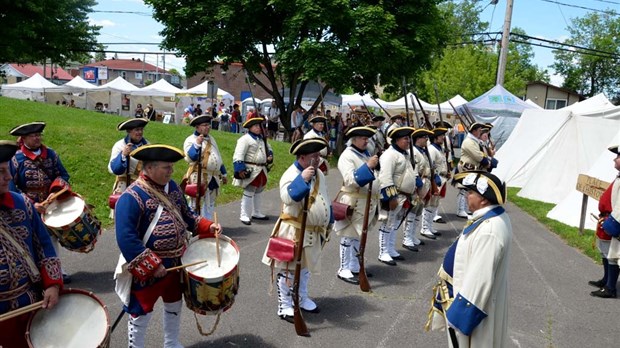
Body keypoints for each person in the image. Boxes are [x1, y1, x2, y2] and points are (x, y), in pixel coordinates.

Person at [114, 144, 222, 348]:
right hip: (148, 267)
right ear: (149, 168)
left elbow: (187, 216)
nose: (172, 171)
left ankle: (171, 342)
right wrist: (153, 265)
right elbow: (126, 238)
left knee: (174, 303)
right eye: (167, 167)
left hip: (177, 262)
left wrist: (209, 226)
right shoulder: (131, 197)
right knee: (141, 311)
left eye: (171, 167)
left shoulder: (172, 188)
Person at [426, 170, 511, 347]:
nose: (466, 196)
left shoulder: (489, 230)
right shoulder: (489, 218)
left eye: (471, 192)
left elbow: (479, 281)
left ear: (484, 199)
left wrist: (458, 319)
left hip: (468, 308)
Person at [0, 140, 63, 348]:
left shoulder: (23, 204)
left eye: (7, 169)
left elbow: (44, 246)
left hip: (30, 303)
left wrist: (52, 284)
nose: (8, 177)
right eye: (1, 172)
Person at [262, 137, 332, 322]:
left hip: (312, 230)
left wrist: (328, 220)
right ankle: (284, 305)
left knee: (305, 268)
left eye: (318, 155)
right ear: (302, 157)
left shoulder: (319, 174)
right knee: (289, 270)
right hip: (294, 230)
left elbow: (324, 196)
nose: (318, 159)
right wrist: (302, 180)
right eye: (313, 156)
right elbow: (287, 197)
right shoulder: (291, 173)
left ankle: (301, 297)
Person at [9, 122, 72, 283]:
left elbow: (63, 175)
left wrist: (55, 192)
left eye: (39, 135)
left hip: (52, 203)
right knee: (29, 238)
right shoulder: (16, 159)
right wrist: (31, 204)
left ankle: (57, 271)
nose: (37, 138)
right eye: (33, 136)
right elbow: (11, 186)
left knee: (51, 239)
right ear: (23, 139)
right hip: (27, 206)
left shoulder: (51, 154)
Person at [333, 127, 379, 284]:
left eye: (367, 138)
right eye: (362, 138)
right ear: (353, 139)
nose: (366, 141)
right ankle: (344, 268)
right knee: (348, 234)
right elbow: (350, 179)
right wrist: (368, 167)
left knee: (358, 236)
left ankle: (354, 266)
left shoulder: (364, 153)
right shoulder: (347, 156)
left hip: (365, 201)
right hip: (353, 200)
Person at [377, 127, 422, 265]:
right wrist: (391, 198)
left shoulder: (405, 154)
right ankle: (383, 251)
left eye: (409, 138)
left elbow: (411, 170)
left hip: (404, 196)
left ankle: (390, 249)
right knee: (387, 223)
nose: (408, 141)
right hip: (395, 195)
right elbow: (385, 177)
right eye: (405, 139)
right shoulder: (389, 155)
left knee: (395, 223)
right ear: (396, 140)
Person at [182, 115, 227, 220]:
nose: (208, 127)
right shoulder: (190, 140)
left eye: (208, 125)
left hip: (213, 177)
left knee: (210, 203)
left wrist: (223, 173)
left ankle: (208, 223)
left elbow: (218, 157)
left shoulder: (211, 139)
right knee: (196, 203)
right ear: (197, 127)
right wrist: (197, 144)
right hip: (199, 176)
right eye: (205, 125)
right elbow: (191, 157)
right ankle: (194, 225)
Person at [590, 145, 620, 298]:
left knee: (613, 255)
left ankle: (610, 288)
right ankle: (606, 280)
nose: (615, 159)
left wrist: (612, 223)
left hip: (614, 221)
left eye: (618, 157)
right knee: (605, 251)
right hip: (608, 218)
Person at [232, 117, 273, 225]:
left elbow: (269, 149)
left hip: (261, 169)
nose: (259, 128)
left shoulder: (262, 139)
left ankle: (256, 212)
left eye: (260, 126)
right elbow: (238, 155)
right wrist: (240, 169)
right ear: (250, 127)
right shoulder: (245, 139)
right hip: (251, 169)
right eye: (256, 126)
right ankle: (244, 215)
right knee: (249, 192)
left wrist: (270, 156)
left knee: (259, 191)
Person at [108, 118, 150, 218]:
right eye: (136, 130)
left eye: (141, 129)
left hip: (143, 186)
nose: (140, 132)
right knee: (124, 218)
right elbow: (115, 169)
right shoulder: (120, 145)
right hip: (124, 186)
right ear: (128, 131)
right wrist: (123, 155)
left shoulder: (147, 145)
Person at [455, 122, 494, 218]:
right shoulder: (469, 141)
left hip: (471, 168)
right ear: (474, 131)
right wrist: (486, 161)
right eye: (479, 130)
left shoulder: (474, 141)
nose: (481, 132)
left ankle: (465, 209)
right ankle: (460, 210)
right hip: (466, 168)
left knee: (468, 190)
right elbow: (478, 155)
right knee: (463, 190)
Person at [404, 128, 436, 244]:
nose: (426, 139)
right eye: (424, 137)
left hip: (425, 182)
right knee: (412, 211)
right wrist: (418, 182)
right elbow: (414, 168)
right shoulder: (413, 152)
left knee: (418, 211)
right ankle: (407, 237)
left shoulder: (423, 151)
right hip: (418, 184)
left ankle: (413, 235)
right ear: (418, 139)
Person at [421, 127, 451, 237]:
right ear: (435, 137)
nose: (443, 137)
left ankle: (430, 227)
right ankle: (425, 228)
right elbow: (429, 166)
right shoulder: (432, 150)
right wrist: (435, 178)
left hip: (441, 179)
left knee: (435, 204)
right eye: (441, 136)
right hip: (435, 179)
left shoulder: (439, 148)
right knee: (429, 205)